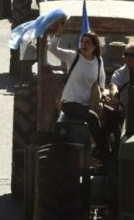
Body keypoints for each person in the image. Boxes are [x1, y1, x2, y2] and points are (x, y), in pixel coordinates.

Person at [48, 20, 115, 158]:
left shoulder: (98, 61)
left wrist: (101, 93)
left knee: (115, 115)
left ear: (94, 47)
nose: (84, 44)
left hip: (88, 104)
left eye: (87, 42)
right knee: (92, 117)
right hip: (70, 103)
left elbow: (101, 78)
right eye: (82, 42)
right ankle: (103, 150)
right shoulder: (73, 56)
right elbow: (52, 48)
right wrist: (60, 30)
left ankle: (114, 147)